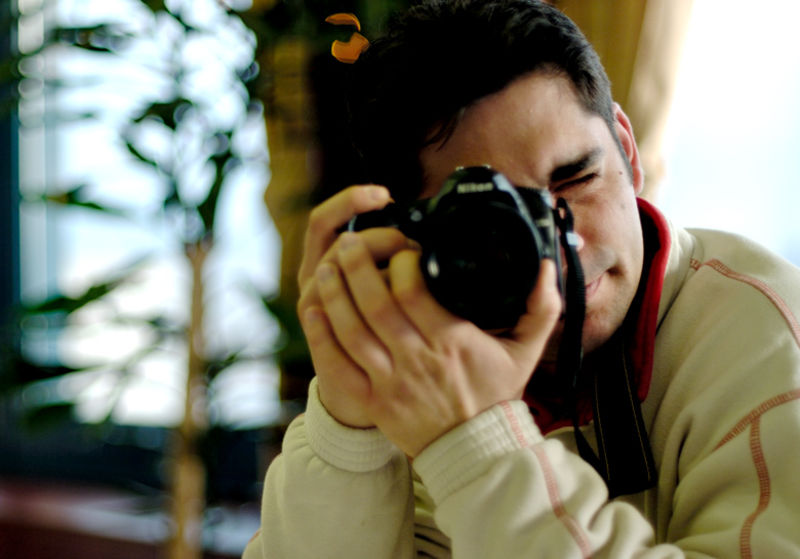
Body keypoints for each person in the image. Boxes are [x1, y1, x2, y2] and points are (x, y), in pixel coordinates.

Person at [243, 1, 800, 557]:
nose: (559, 250)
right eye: (498, 221)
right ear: (415, 232)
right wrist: (348, 430)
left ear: (628, 151)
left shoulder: (766, 338)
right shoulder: (425, 361)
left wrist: (475, 444)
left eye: (577, 179)